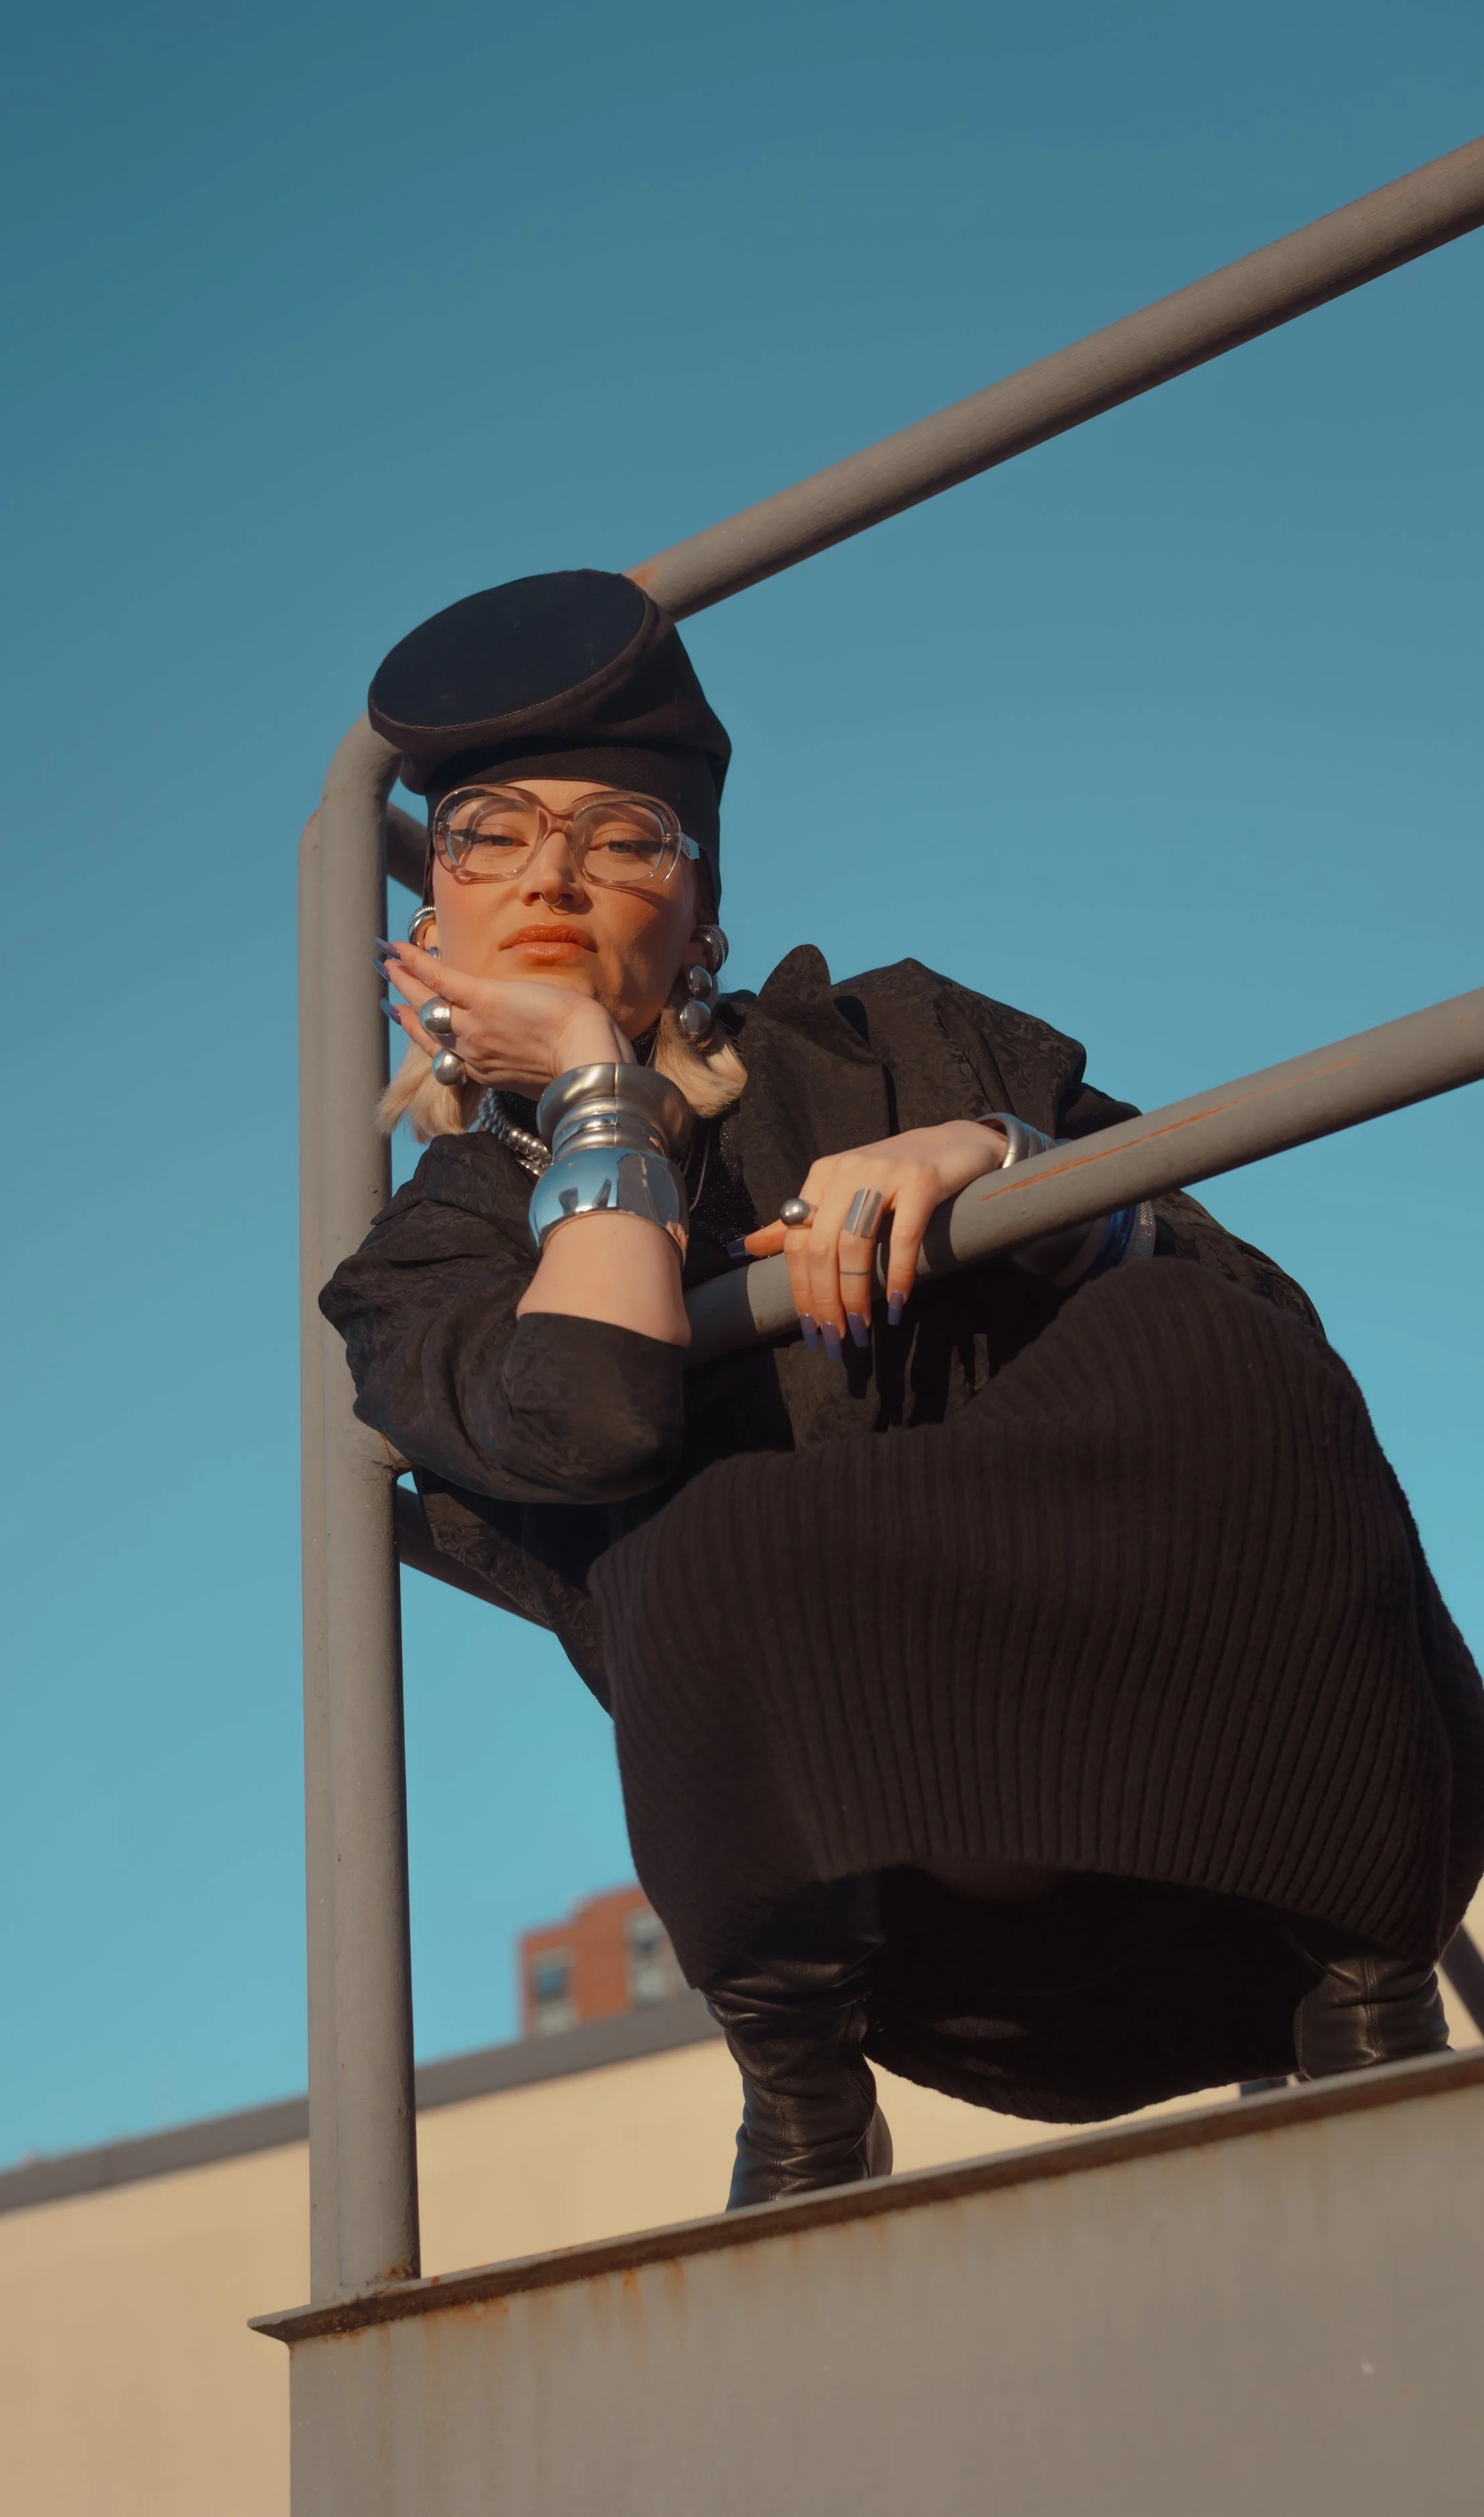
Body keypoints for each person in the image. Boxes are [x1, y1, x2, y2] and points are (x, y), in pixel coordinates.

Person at [321, 569, 1484, 2208]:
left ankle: (1377, 2008)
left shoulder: (915, 1042)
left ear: (704, 914)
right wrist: (598, 1088)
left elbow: (1275, 1346)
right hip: (916, 1948)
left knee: (1193, 1328)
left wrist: (1006, 1168)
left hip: (1252, 1859)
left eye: (624, 836)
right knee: (695, 1522)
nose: (556, 877)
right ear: (425, 922)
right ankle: (797, 2117)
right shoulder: (430, 1263)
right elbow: (591, 1415)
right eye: (490, 834)